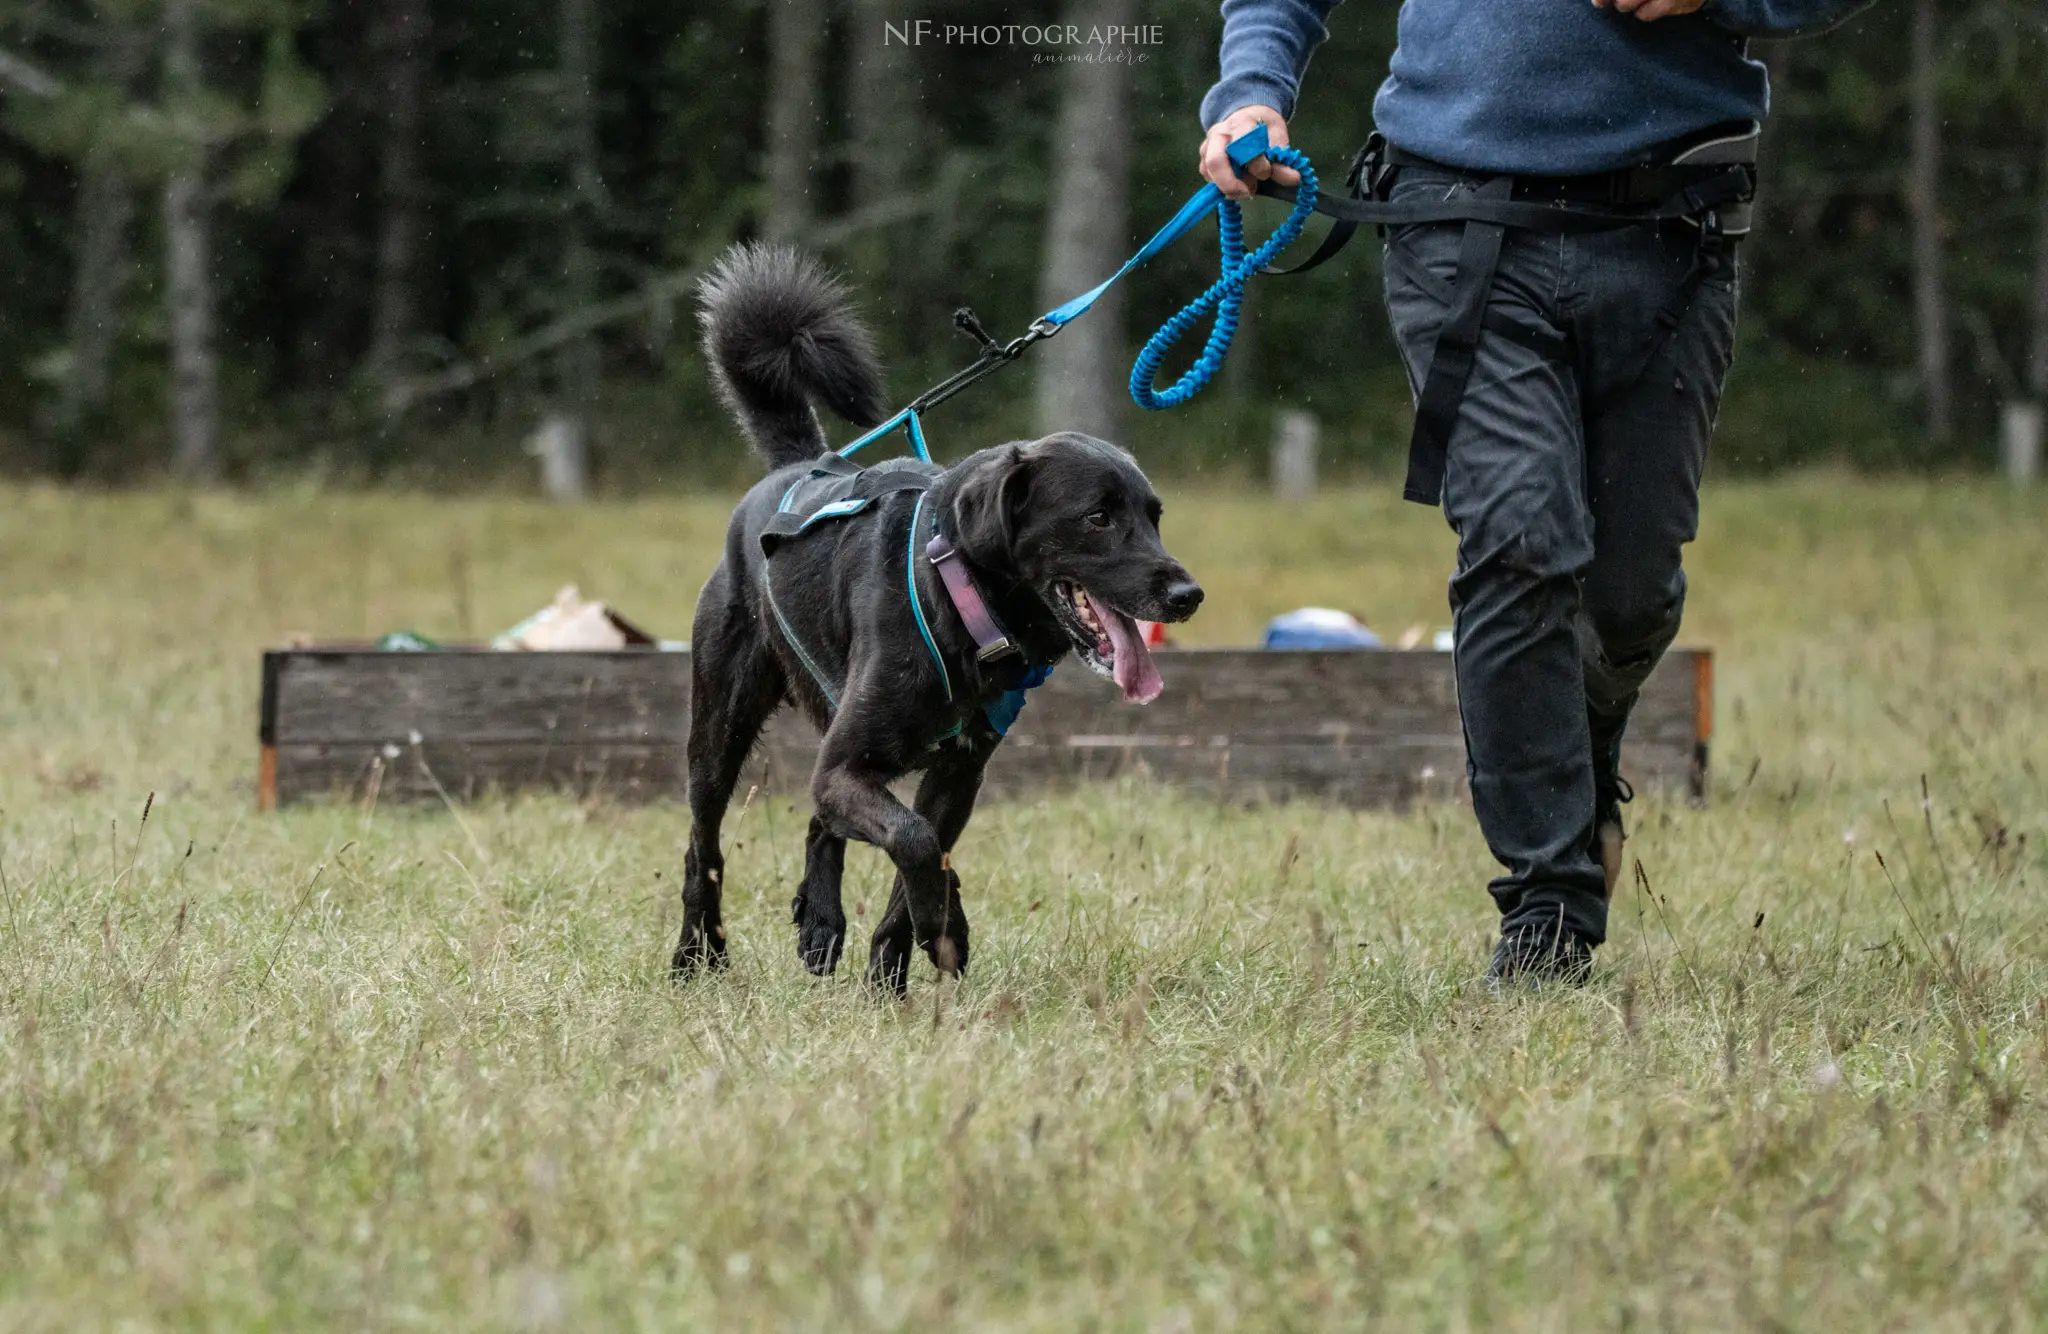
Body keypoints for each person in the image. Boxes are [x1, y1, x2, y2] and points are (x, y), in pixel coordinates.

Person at [1198, 0, 1876, 986]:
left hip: (1672, 230)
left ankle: (1575, 750)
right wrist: (1252, 87)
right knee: (1519, 540)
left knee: (1628, 595)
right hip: (1454, 222)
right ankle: (1548, 906)